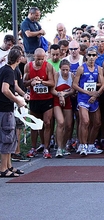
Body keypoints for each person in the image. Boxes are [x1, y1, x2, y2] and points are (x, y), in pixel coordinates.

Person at [73, 47, 104, 156]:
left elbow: (103, 84)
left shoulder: (99, 69)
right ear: (86, 56)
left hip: (93, 98)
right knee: (85, 121)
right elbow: (75, 85)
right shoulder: (81, 68)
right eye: (89, 55)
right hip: (83, 98)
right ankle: (83, 145)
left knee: (97, 123)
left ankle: (91, 145)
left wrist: (96, 94)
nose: (91, 57)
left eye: (93, 55)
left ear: (96, 56)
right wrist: (87, 92)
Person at [23, 48, 55, 159]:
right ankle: (33, 147)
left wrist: (41, 82)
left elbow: (52, 82)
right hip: (34, 99)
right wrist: (31, 81)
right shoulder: (28, 66)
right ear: (34, 57)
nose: (40, 61)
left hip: (47, 99)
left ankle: (46, 148)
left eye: (42, 59)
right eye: (38, 59)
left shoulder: (48, 66)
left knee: (47, 123)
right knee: (34, 124)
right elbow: (24, 82)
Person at [0, 48, 26, 177]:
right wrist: (17, 100)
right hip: (5, 110)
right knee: (7, 138)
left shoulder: (4, 70)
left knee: (10, 137)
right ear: (19, 59)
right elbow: (5, 89)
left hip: (5, 108)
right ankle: (3, 168)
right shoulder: (9, 71)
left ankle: (9, 165)